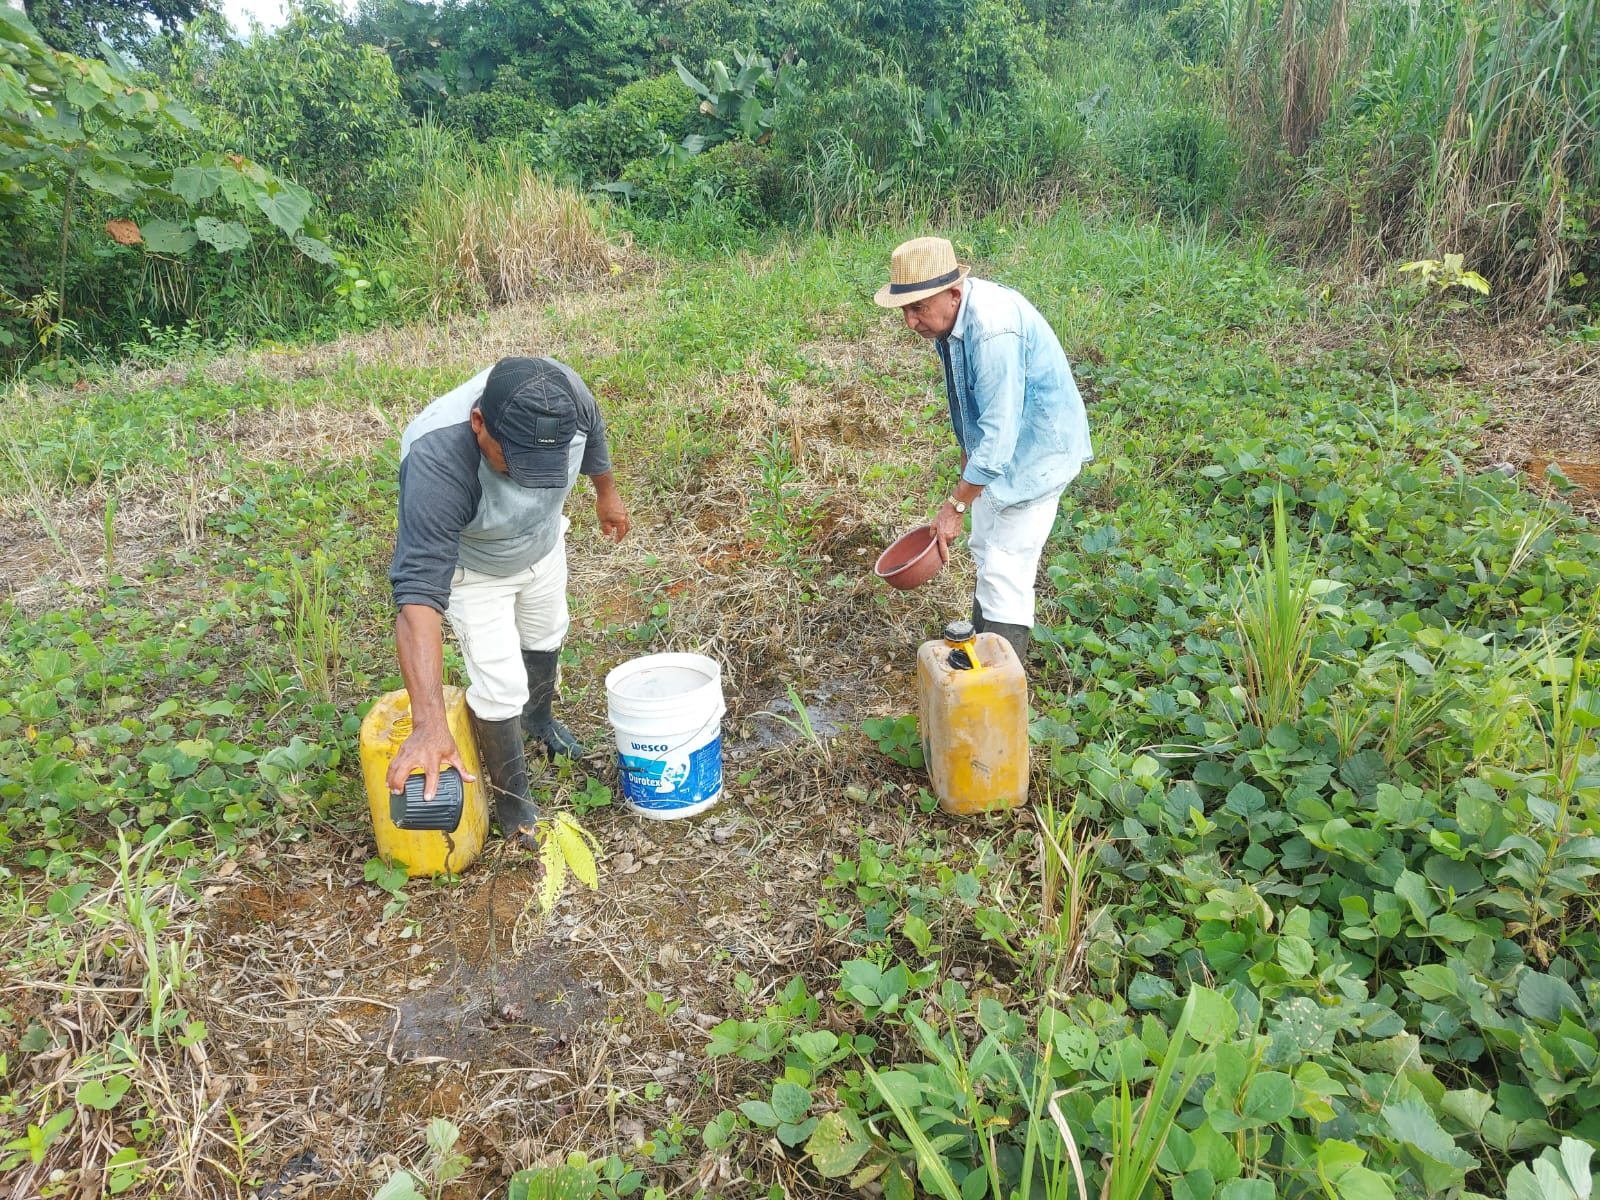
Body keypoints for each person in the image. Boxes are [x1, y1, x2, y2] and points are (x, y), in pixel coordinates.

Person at [384, 356, 630, 847]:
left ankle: (539, 721)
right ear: (479, 423)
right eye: (514, 462)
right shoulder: (436, 459)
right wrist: (429, 724)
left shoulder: (564, 393)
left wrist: (606, 492)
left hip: (542, 545)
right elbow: (418, 598)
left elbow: (595, 432)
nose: (527, 480)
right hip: (476, 571)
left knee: (547, 631)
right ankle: (513, 804)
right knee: (500, 687)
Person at [875, 236, 1092, 663]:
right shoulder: (951, 321)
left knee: (1006, 571)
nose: (910, 322)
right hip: (1000, 456)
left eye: (918, 308)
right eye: (904, 310)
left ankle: (1002, 681)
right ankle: (984, 653)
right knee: (986, 549)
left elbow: (999, 436)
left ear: (953, 294)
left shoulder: (993, 331)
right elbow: (973, 413)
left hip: (1035, 454)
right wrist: (965, 482)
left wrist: (956, 506)